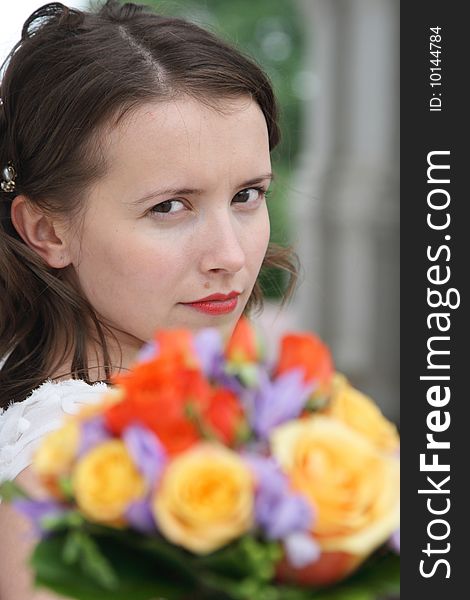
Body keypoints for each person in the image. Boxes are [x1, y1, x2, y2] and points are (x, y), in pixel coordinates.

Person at [0, 1, 297, 597]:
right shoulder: (73, 488)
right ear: (47, 231)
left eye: (247, 195)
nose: (231, 256)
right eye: (169, 207)